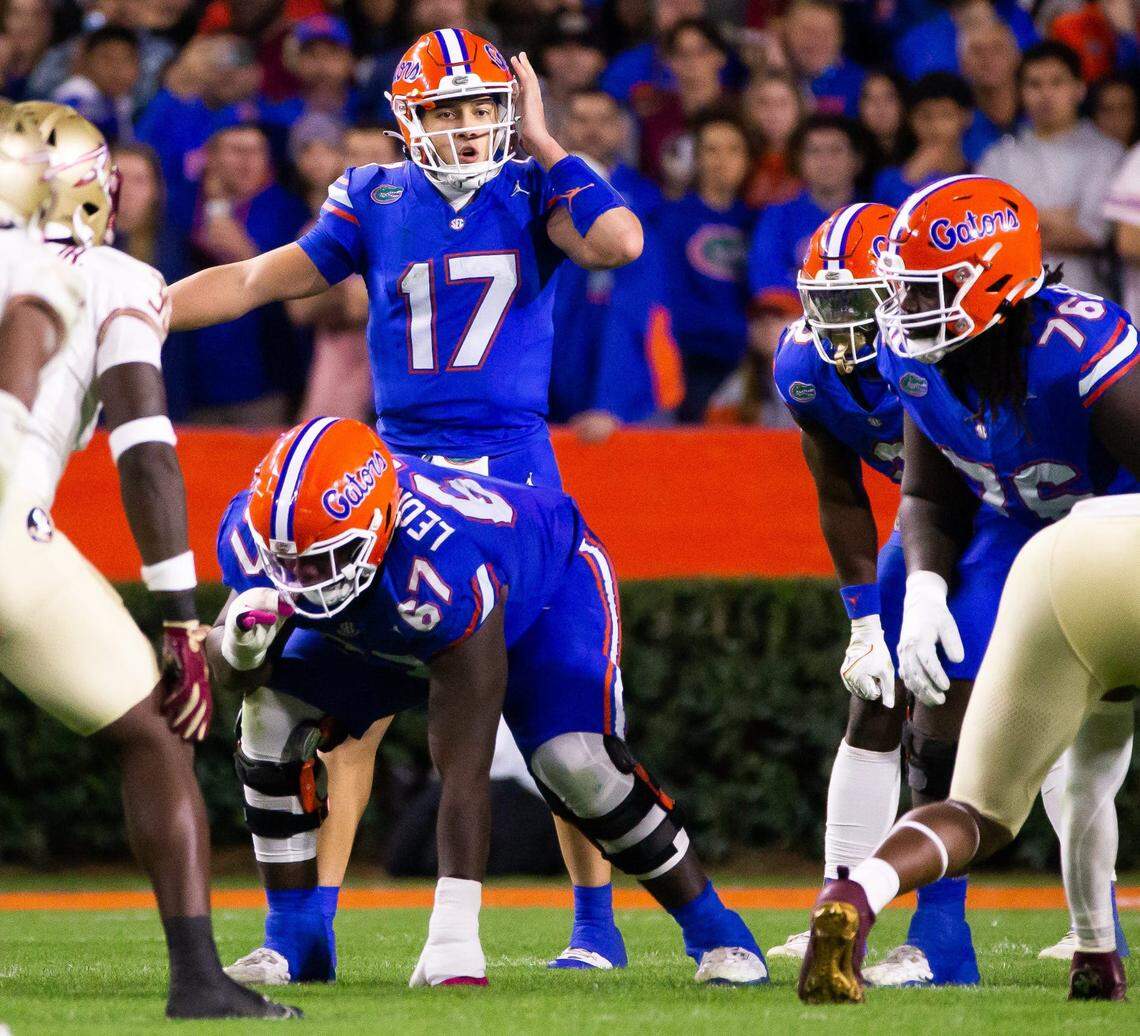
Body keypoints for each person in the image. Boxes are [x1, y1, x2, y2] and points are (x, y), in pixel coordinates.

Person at [168, 28, 644, 980]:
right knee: (347, 720)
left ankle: (595, 925)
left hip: (512, 478)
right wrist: (132, 306)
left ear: (507, 111)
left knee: (562, 715)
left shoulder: (533, 186)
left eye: (482, 108)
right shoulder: (374, 197)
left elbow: (620, 241)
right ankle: (307, 929)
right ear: (406, 121)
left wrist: (548, 140)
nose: (468, 128)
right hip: (401, 476)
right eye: (448, 110)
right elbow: (259, 279)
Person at [207, 418, 769, 988]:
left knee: (573, 764)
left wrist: (454, 932)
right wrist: (239, 647)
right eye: (288, 565)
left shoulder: (442, 564)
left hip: (542, 595)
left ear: (377, 529)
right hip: (388, 616)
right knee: (268, 714)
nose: (301, 582)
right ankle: (293, 941)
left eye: (321, 562)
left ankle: (719, 933)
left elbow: (464, 768)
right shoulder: (262, 533)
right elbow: (227, 669)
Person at [797, 175, 1138, 1002]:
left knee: (1009, 795)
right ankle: (974, 935)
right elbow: (924, 496)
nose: (901, 311)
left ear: (993, 278)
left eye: (923, 290)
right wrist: (921, 589)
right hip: (1022, 539)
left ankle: (871, 890)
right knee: (972, 737)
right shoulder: (915, 354)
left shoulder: (1076, 345)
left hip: (1105, 533)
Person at [0, 102, 294, 1020]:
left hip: (18, 528)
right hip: (12, 530)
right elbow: (147, 447)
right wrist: (180, 614)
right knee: (157, 730)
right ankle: (198, 978)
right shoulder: (112, 275)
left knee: (147, 727)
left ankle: (202, 982)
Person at [798, 493, 1140, 1004]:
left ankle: (855, 891)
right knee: (1089, 777)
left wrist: (922, 598)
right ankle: (1094, 946)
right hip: (1109, 543)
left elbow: (923, 497)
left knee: (984, 810)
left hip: (1052, 561)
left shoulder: (945, 412)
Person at [977, 41, 1124, 297]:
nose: (1046, 94)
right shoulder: (998, 157)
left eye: (1057, 83)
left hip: (1088, 302)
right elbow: (984, 238)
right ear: (1021, 92)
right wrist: (1061, 217)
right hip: (1013, 302)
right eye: (1034, 84)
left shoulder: (1107, 153)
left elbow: (1091, 234)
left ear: (1079, 89)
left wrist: (1018, 223)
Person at [653, 112, 756, 422]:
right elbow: (671, 299)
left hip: (752, 358)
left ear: (748, 160)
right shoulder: (672, 219)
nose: (721, 160)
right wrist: (744, 332)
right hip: (694, 356)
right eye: (711, 150)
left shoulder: (756, 220)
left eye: (732, 149)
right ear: (695, 158)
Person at [872, 74, 973, 206]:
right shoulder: (888, 180)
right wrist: (911, 177)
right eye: (926, 116)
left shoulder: (982, 168)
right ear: (911, 120)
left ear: (966, 118)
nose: (936, 126)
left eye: (946, 115)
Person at [50, 25, 141, 145]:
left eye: (125, 60)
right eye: (107, 59)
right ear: (86, 60)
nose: (116, 69)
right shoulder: (73, 97)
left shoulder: (122, 101)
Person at [781, 0, 865, 117]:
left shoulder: (861, 85)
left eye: (827, 33)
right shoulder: (765, 77)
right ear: (787, 32)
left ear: (840, 38)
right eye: (808, 31)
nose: (817, 41)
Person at [957, 19, 1023, 163]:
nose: (987, 59)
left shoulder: (1038, 115)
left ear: (1016, 57)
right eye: (977, 51)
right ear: (962, 63)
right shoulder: (957, 125)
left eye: (997, 49)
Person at [741, 72, 804, 209]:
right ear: (749, 110)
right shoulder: (740, 155)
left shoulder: (812, 156)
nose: (773, 112)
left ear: (799, 109)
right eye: (764, 103)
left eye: (782, 103)